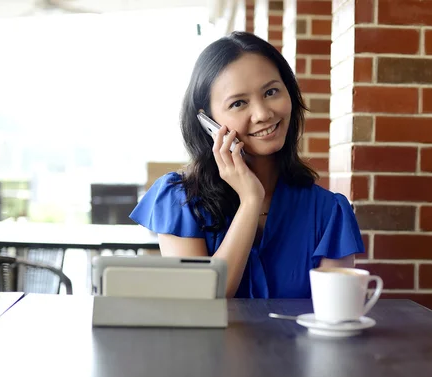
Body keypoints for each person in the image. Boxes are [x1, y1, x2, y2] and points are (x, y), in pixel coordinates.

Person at [130, 31, 364, 298]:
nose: (264, 114)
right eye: (238, 103)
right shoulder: (180, 201)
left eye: (271, 92)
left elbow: (335, 318)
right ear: (208, 123)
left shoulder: (329, 212)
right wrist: (251, 200)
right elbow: (198, 303)